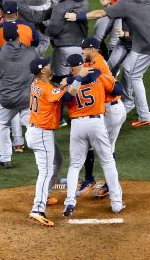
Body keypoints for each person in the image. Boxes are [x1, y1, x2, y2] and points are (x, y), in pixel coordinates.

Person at [61, 54, 125, 217]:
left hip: (77, 126)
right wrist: (108, 79)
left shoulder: (68, 84)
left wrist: (69, 81)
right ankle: (116, 203)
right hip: (96, 123)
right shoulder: (99, 77)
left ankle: (69, 203)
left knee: (75, 165)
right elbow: (118, 90)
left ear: (71, 68)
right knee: (108, 161)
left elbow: (66, 99)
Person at [26, 57, 78, 227]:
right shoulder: (47, 89)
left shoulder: (36, 83)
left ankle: (45, 195)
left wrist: (61, 86)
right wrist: (78, 79)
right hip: (42, 134)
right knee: (46, 172)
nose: (50, 66)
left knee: (57, 162)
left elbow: (53, 93)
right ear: (42, 71)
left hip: (36, 131)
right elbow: (69, 98)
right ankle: (37, 209)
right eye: (48, 65)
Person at [77, 37, 128, 198]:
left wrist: (69, 79)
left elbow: (85, 78)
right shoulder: (94, 61)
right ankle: (105, 184)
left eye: (84, 49)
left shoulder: (97, 64)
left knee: (93, 145)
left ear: (92, 49)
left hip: (110, 112)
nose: (81, 51)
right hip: (112, 110)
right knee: (106, 148)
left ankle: (92, 181)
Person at [0, 22, 38, 168]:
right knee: (31, 124)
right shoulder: (31, 52)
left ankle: (5, 158)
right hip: (27, 97)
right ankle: (41, 152)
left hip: (8, 99)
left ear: (3, 37)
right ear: (18, 34)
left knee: (3, 124)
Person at [45, 0, 89, 81]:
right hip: (81, 48)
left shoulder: (59, 7)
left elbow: (54, 29)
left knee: (61, 81)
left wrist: (46, 30)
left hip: (63, 50)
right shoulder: (85, 3)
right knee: (79, 80)